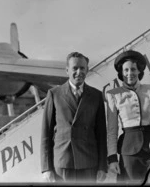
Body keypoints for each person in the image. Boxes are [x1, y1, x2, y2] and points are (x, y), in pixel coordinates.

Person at [106, 50, 150, 184]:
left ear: (139, 71)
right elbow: (112, 130)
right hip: (129, 150)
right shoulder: (113, 94)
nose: (130, 73)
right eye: (126, 70)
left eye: (133, 69)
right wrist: (112, 158)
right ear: (121, 72)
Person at [40, 52, 107, 184]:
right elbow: (46, 134)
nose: (79, 72)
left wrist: (102, 167)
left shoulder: (96, 95)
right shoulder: (55, 94)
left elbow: (101, 134)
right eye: (75, 68)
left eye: (82, 68)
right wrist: (46, 168)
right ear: (67, 70)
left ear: (87, 70)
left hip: (89, 163)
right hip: (63, 162)